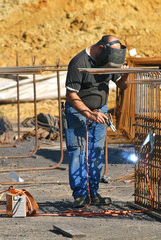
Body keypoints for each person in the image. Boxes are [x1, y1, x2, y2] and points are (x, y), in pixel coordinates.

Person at [64, 35, 130, 208]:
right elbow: (71, 95)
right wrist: (88, 114)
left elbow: (123, 86)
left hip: (100, 111)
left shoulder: (108, 61)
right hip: (78, 112)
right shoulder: (79, 62)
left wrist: (125, 75)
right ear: (101, 48)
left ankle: (92, 192)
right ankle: (80, 194)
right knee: (78, 152)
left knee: (96, 152)